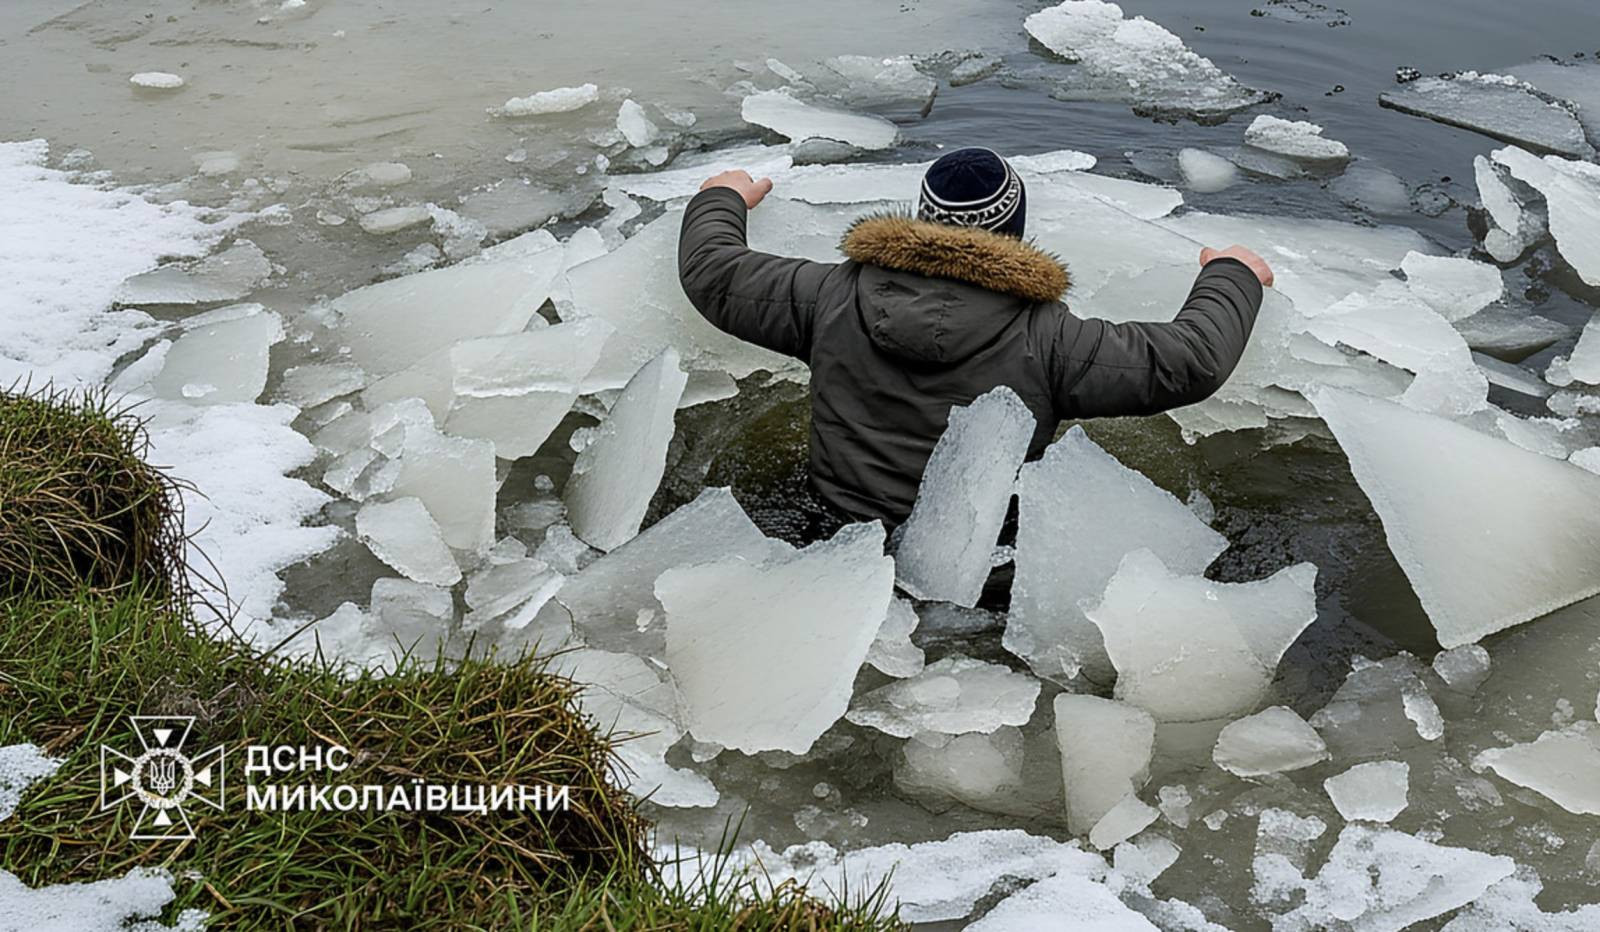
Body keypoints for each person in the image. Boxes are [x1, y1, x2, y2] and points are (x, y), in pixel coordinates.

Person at [677, 146, 1271, 536]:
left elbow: (714, 271)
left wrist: (720, 196)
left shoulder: (828, 296)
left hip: (831, 532)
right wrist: (1233, 274)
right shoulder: (1051, 340)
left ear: (921, 219)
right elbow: (1191, 360)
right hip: (976, 569)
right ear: (1014, 232)